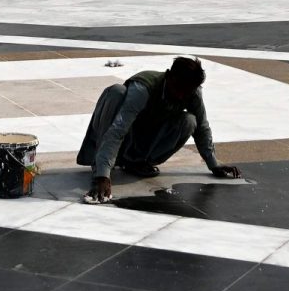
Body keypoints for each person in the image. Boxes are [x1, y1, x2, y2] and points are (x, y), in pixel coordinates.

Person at [78, 56, 240, 202]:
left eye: (187, 92)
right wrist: (102, 176)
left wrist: (214, 164)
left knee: (190, 121)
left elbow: (202, 127)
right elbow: (117, 130)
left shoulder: (192, 92)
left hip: (143, 141)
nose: (181, 96)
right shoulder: (142, 89)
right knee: (116, 92)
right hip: (123, 136)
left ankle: (138, 162)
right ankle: (100, 166)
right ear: (169, 76)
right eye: (178, 88)